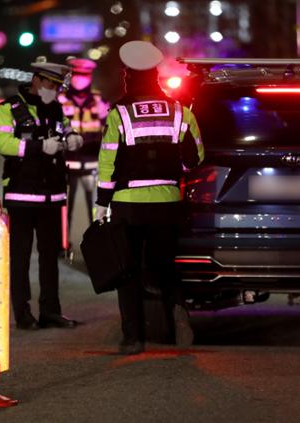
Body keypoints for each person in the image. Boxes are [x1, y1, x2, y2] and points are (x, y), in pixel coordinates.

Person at [95, 41, 205, 355]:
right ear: (156, 75)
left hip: (128, 203)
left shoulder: (119, 114)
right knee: (165, 266)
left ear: (128, 76)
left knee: (127, 270)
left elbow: (107, 161)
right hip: (168, 201)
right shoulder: (180, 111)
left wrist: (103, 202)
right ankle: (177, 313)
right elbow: (196, 156)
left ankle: (132, 337)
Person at [0, 61, 83, 330]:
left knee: (50, 257)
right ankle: (22, 313)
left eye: (57, 86)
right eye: (50, 84)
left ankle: (50, 311)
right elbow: (3, 143)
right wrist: (38, 147)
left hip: (52, 195)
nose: (54, 90)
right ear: (36, 80)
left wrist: (74, 136)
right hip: (22, 194)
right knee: (20, 257)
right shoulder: (10, 108)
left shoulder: (55, 108)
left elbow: (66, 129)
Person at [58, 58, 109, 230]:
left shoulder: (99, 100)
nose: (80, 79)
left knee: (96, 207)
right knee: (64, 208)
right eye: (77, 75)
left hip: (92, 162)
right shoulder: (61, 99)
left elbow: (109, 128)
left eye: (84, 75)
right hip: (66, 163)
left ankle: (97, 242)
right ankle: (62, 244)